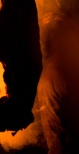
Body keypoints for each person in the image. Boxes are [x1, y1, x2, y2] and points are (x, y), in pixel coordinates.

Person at [37, 10, 79, 154]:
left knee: (55, 132)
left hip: (52, 80)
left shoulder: (48, 27)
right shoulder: (73, 27)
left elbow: (40, 55)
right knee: (73, 127)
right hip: (74, 78)